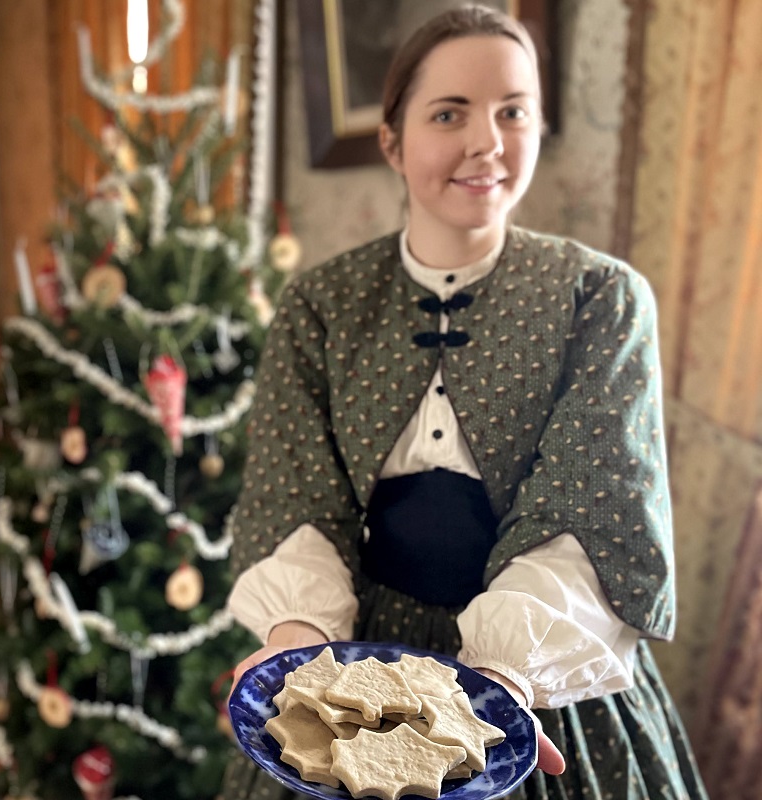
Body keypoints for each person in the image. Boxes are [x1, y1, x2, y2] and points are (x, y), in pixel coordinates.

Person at [223, 4, 709, 798]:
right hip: (356, 671)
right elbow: (293, 496)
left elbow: (592, 511)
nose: (487, 142)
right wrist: (298, 645)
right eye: (449, 114)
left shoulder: (600, 298)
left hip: (529, 680)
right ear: (392, 140)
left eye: (513, 112)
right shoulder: (322, 304)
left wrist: (497, 685)